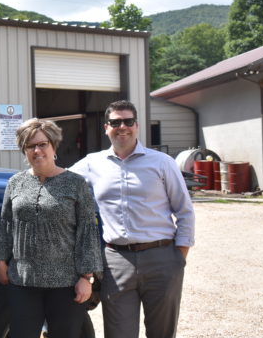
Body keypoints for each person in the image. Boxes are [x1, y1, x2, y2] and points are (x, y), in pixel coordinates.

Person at [70, 100, 195, 338]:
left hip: (162, 258)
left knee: (162, 333)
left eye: (128, 121)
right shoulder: (91, 164)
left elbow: (185, 211)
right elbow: (59, 180)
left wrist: (179, 258)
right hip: (116, 261)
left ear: (137, 126)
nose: (122, 127)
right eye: (115, 122)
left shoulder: (162, 163)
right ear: (106, 128)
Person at [0, 118, 102, 338]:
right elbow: (5, 223)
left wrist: (86, 277)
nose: (37, 150)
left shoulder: (75, 183)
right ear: (24, 151)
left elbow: (87, 231)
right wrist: (0, 260)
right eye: (30, 146)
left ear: (54, 146)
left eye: (42, 144)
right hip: (23, 281)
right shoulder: (15, 182)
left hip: (66, 283)